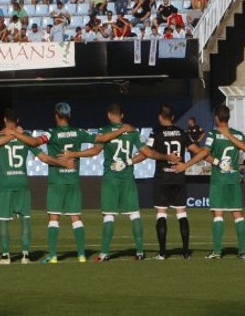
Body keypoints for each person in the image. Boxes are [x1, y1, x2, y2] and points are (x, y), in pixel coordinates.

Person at [63, 104, 170, 261]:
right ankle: (140, 252)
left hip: (110, 178)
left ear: (109, 115)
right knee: (134, 214)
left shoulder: (105, 131)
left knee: (108, 215)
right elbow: (147, 153)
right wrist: (167, 157)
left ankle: (104, 253)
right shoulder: (132, 131)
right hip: (127, 177)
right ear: (122, 115)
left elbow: (95, 151)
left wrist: (73, 154)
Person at [0, 109, 69, 264]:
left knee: (3, 220)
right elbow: (43, 158)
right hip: (22, 182)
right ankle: (25, 256)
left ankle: (5, 257)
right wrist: (61, 163)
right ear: (17, 120)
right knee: (25, 219)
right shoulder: (26, 137)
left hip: (4, 184)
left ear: (4, 120)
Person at [175, 104, 245, 259]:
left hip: (219, 180)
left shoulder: (213, 134)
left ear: (216, 118)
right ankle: (242, 250)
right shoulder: (239, 135)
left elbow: (204, 153)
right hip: (233, 179)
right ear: (228, 117)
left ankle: (217, 252)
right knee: (238, 214)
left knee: (218, 215)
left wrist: (186, 165)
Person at [16, 102, 91, 264]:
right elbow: (98, 142)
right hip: (73, 180)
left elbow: (34, 142)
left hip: (57, 181)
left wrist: (17, 133)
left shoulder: (51, 133)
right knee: (75, 217)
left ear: (56, 115)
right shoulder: (79, 132)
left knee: (53, 217)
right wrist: (77, 154)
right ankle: (81, 255)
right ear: (69, 115)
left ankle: (53, 255)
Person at [145, 105, 202, 259]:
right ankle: (186, 252)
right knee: (182, 214)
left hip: (162, 178)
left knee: (161, 214)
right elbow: (200, 152)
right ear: (173, 117)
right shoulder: (182, 133)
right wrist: (186, 165)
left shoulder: (156, 132)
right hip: (178, 177)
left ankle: (163, 253)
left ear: (160, 117)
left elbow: (148, 152)